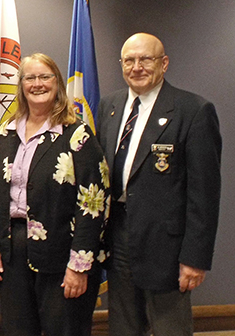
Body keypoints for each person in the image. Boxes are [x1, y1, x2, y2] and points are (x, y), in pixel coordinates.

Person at [96, 33, 221, 336]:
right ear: (121, 64)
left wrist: (195, 258)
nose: (137, 67)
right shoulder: (109, 106)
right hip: (118, 236)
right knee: (123, 326)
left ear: (164, 63)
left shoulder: (193, 110)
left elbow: (204, 193)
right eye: (129, 60)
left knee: (170, 328)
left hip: (166, 245)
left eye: (146, 59)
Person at [0, 53, 109, 336]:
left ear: (57, 83)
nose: (38, 84)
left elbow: (94, 202)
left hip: (63, 255)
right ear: (22, 85)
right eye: (30, 78)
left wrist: (79, 265)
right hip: (12, 253)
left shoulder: (77, 135)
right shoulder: (5, 133)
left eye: (45, 77)